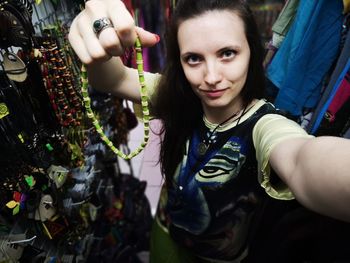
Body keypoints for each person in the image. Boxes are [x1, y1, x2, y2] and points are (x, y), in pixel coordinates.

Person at [68, 0, 350, 262]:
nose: (212, 77)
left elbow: (302, 160)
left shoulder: (265, 124)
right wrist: (97, 37)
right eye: (193, 59)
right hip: (164, 234)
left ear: (252, 51)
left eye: (227, 54)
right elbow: (115, 79)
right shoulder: (178, 97)